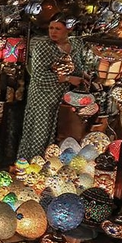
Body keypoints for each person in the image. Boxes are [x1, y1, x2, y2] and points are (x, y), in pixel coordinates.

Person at [18, 14, 87, 159]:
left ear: (69, 29)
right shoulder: (43, 46)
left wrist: (83, 77)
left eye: (58, 29)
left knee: (62, 133)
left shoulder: (76, 45)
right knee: (40, 134)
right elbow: (39, 76)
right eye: (51, 28)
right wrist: (67, 78)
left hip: (64, 98)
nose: (53, 32)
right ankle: (32, 163)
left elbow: (78, 67)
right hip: (43, 97)